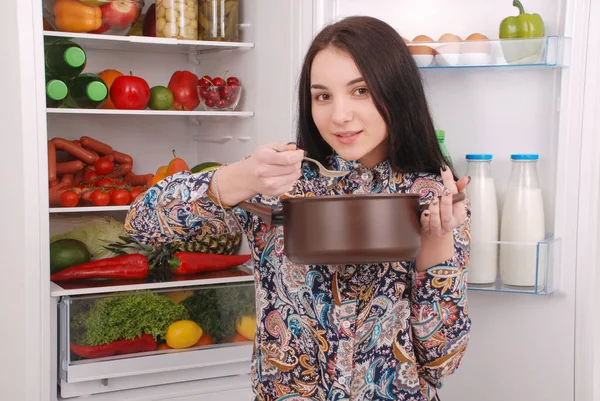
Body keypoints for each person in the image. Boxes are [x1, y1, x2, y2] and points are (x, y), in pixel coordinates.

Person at [125, 15, 471, 401]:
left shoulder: (432, 193)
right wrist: (241, 177)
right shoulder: (278, 180)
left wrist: (437, 244)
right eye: (323, 96)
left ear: (397, 91)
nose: (339, 115)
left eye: (360, 91)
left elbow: (442, 361)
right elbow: (141, 223)